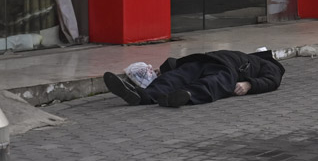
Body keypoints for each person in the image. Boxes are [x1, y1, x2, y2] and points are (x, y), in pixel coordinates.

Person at [103, 49, 285, 108]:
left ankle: (181, 95)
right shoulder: (244, 55)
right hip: (209, 61)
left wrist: (249, 84)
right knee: (176, 77)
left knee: (209, 83)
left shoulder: (268, 64)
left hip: (227, 70)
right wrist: (166, 69)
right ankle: (143, 96)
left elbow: (272, 81)